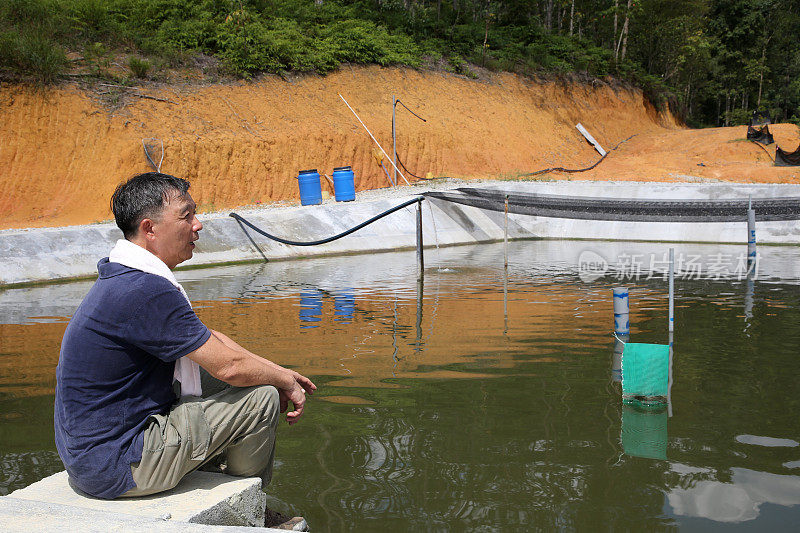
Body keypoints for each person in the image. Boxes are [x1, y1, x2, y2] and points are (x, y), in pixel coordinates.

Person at [54, 172, 316, 501]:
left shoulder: (125, 274)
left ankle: (214, 466)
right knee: (261, 398)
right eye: (186, 215)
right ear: (149, 229)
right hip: (118, 465)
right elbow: (230, 367)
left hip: (93, 459)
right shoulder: (144, 289)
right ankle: (248, 503)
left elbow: (209, 338)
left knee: (251, 379)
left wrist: (279, 372)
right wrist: (283, 382)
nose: (198, 224)